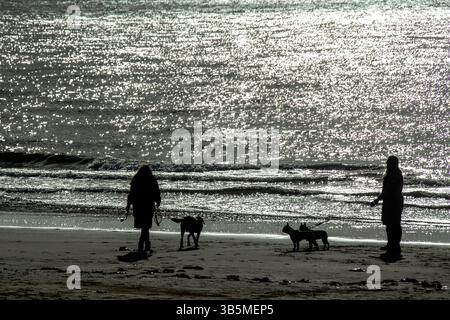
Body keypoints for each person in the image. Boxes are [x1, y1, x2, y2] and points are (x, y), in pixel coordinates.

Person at [370, 156, 404, 260]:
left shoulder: (394, 174)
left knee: (393, 224)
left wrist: (377, 200)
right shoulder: (395, 173)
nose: (387, 164)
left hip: (394, 201)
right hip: (391, 201)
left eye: (389, 163)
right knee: (391, 224)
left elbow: (388, 190)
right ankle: (392, 244)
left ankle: (395, 245)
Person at [126, 165, 161, 253]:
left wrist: (128, 204)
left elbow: (131, 193)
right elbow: (156, 191)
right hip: (148, 205)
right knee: (146, 226)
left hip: (138, 205)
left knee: (144, 226)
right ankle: (144, 245)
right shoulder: (151, 179)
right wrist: (158, 201)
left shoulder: (136, 179)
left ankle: (145, 245)